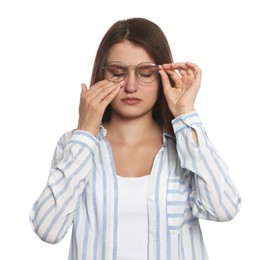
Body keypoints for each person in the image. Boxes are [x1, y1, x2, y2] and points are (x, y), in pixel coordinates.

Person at [30, 17, 241, 260]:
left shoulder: (185, 145)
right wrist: (85, 132)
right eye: (118, 73)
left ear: (163, 75)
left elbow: (225, 209)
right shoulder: (74, 145)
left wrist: (185, 113)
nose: (131, 86)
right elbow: (48, 230)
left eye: (146, 73)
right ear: (102, 75)